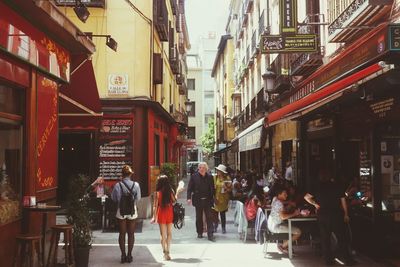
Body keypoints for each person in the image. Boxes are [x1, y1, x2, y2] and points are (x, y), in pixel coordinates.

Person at [304, 169, 356, 266]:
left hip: (322, 214)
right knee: (342, 238)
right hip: (336, 214)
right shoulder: (337, 186)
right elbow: (343, 201)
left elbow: (306, 197)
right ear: (330, 177)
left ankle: (328, 261)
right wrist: (346, 214)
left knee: (325, 238)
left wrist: (315, 204)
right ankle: (348, 259)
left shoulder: (317, 186)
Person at [111, 165, 141, 263]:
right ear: (130, 174)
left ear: (122, 174)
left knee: (122, 234)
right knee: (131, 234)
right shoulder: (136, 185)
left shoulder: (117, 185)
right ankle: (129, 255)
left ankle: (123, 255)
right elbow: (138, 199)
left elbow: (113, 198)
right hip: (132, 211)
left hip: (121, 211)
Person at [150, 175, 178, 261]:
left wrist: (153, 217)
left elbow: (155, 206)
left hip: (161, 213)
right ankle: (168, 251)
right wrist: (178, 192)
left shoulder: (157, 193)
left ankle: (165, 252)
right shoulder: (170, 191)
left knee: (163, 234)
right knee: (169, 233)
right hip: (169, 212)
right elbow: (174, 202)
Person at [267, 186, 301, 254]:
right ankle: (282, 246)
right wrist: (295, 214)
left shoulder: (275, 200)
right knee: (298, 232)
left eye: (286, 194)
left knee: (288, 226)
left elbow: (282, 208)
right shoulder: (279, 204)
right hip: (276, 227)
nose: (287, 195)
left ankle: (286, 246)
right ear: (279, 195)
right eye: (284, 194)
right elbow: (283, 217)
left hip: (271, 225)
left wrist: (288, 204)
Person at [187, 162, 216, 241]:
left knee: (209, 217)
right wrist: (188, 198)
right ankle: (199, 232)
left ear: (206, 169)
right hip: (198, 200)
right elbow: (189, 188)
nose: (202, 169)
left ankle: (210, 235)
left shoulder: (210, 177)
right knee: (198, 217)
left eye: (203, 167)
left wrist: (214, 198)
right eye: (200, 167)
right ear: (198, 168)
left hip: (208, 200)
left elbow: (213, 189)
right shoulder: (194, 177)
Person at [213, 164, 232, 234]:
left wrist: (226, 188)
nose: (218, 172)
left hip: (224, 198)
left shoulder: (227, 179)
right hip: (216, 198)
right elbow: (212, 188)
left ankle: (223, 228)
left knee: (222, 214)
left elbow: (230, 189)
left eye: (219, 171)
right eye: (217, 170)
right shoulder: (215, 178)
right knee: (215, 213)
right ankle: (215, 226)